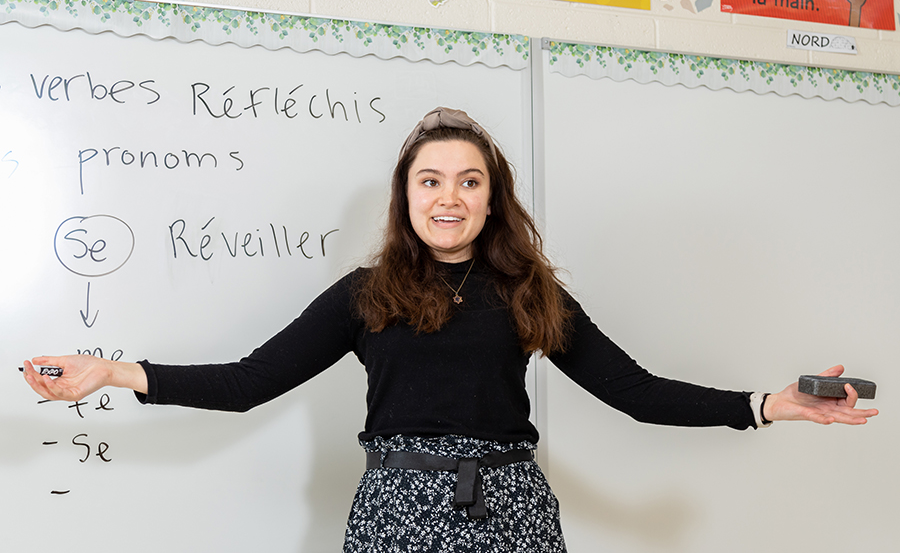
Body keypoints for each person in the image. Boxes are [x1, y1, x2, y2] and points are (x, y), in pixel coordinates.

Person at [22, 107, 878, 552]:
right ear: (406, 196)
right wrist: (112, 370)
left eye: (469, 182)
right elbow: (249, 383)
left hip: (514, 513)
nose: (448, 198)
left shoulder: (531, 294)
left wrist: (770, 404)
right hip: (398, 512)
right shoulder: (366, 294)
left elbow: (638, 393)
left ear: (491, 197)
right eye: (430, 180)